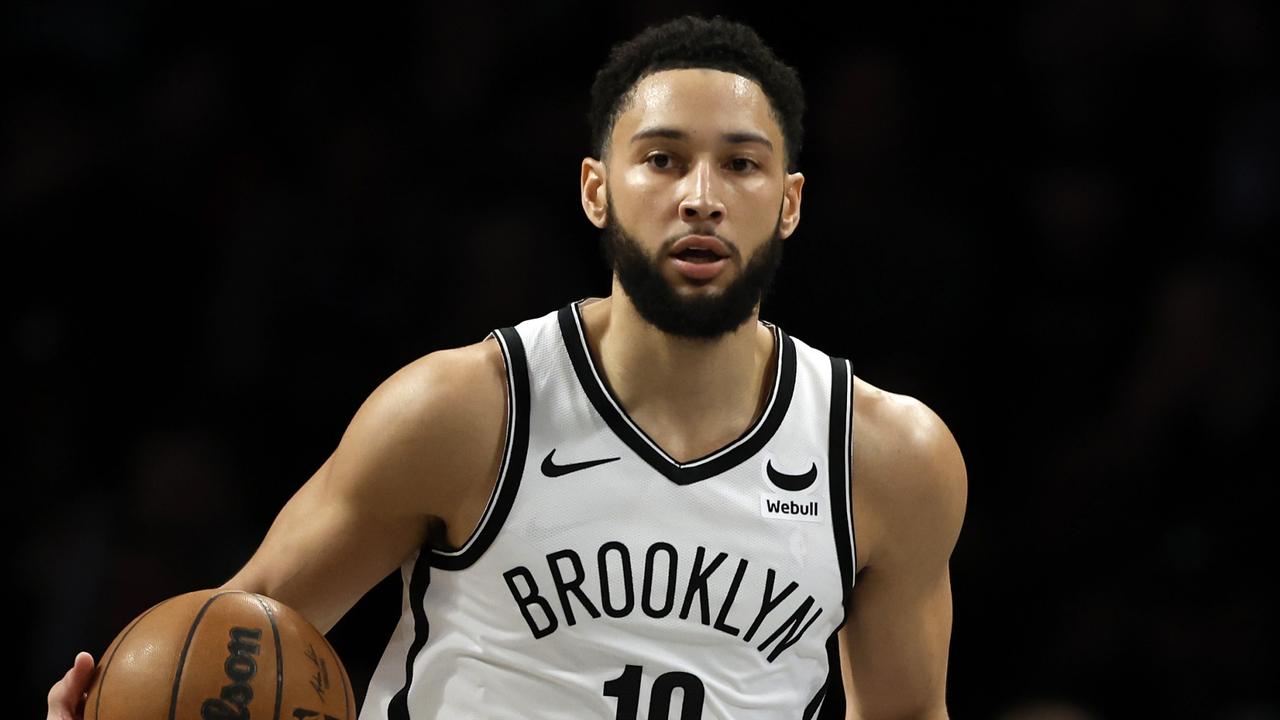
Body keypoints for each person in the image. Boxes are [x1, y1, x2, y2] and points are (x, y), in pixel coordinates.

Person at [47, 14, 967, 720]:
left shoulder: (886, 458)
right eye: (662, 159)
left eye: (741, 165)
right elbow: (243, 641)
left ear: (791, 202)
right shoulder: (462, 410)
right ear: (595, 189)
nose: (701, 197)